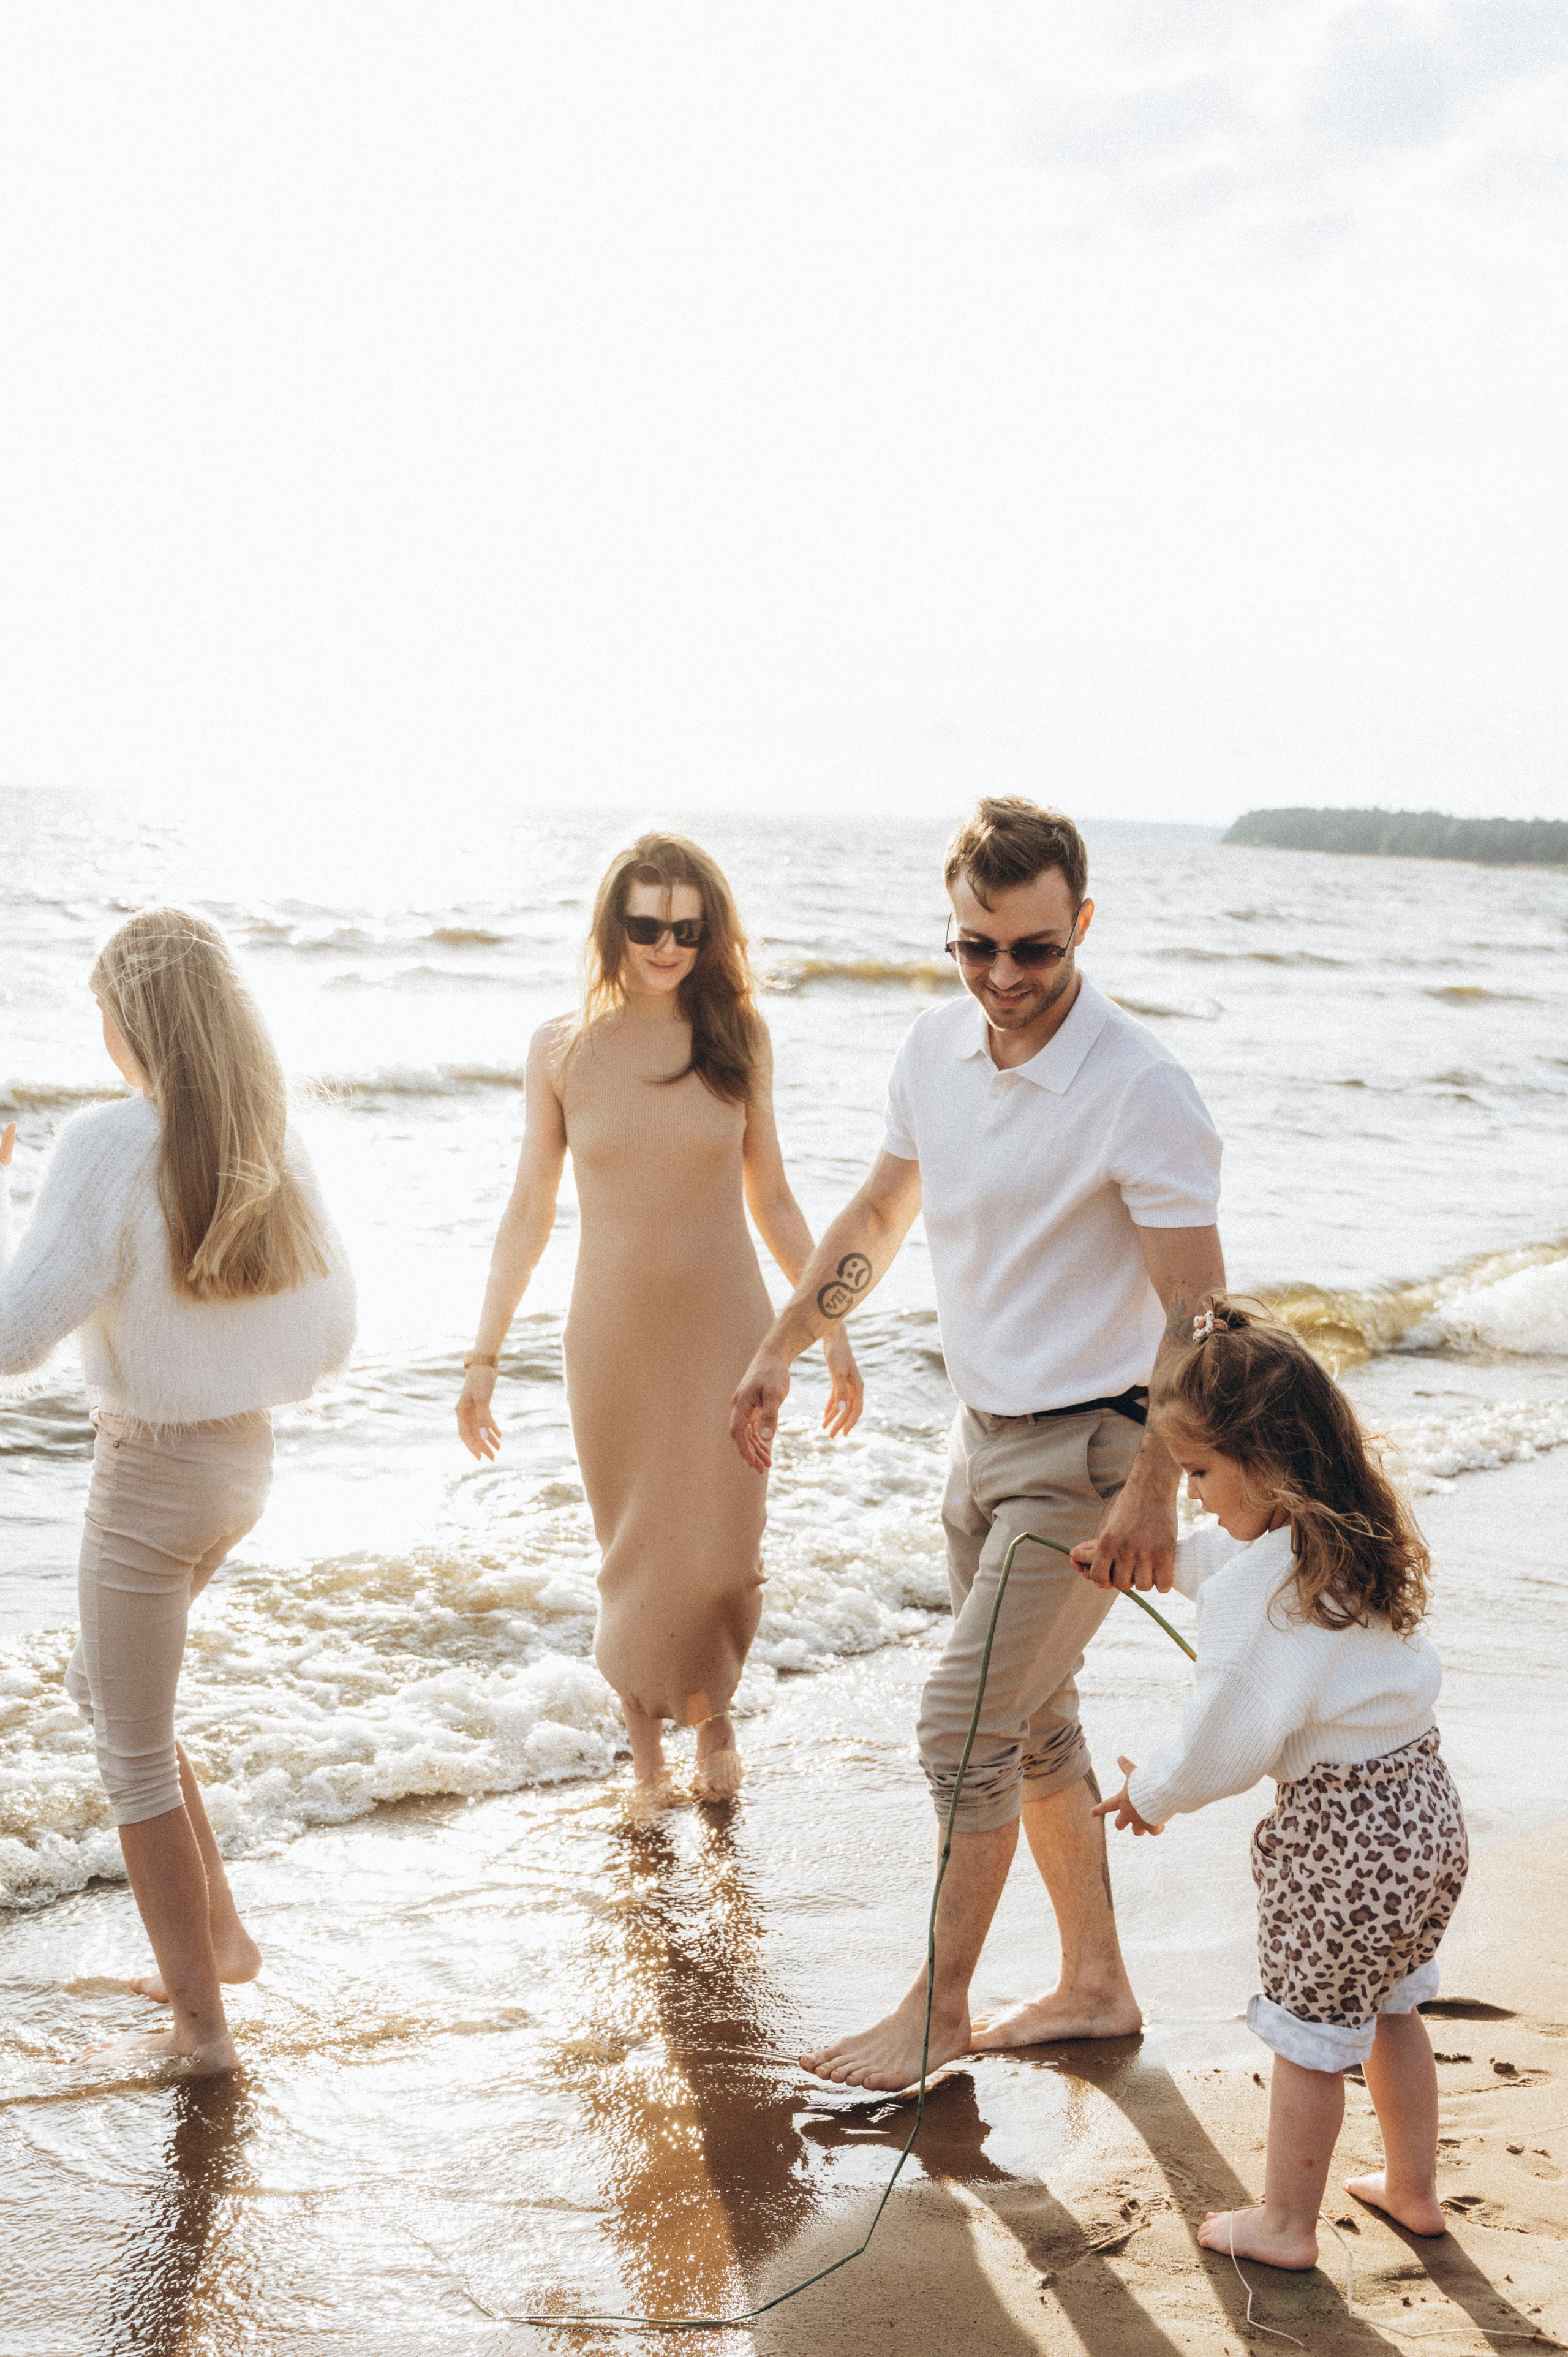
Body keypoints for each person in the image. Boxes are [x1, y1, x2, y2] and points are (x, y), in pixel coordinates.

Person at [729, 796, 1226, 2091]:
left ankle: (936, 2010)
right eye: (973, 946)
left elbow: (1198, 1320)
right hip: (982, 1442)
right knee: (1030, 1727)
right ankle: (1096, 1984)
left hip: (1095, 1456)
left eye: (1033, 950)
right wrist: (784, 1340)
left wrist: (1155, 1495)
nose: (1002, 978)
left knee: (959, 1728)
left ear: (1081, 928)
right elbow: (879, 1214)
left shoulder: (1139, 1088)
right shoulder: (932, 1050)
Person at [0, 910, 356, 2073]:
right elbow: (335, 1335)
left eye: (101, 1007)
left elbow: (14, 1336)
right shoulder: (271, 1141)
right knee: (100, 1689)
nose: (97, 1029)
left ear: (131, 1021)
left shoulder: (108, 1144)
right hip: (240, 1469)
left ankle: (202, 2024)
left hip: (150, 1476)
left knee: (133, 1756)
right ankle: (226, 1938)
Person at [456, 832, 861, 1803]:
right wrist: (482, 1359)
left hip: (732, 1333)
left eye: (686, 927)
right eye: (647, 924)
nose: (667, 944)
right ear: (614, 925)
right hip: (612, 1341)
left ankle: (712, 1714)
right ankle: (646, 1769)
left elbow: (775, 1203)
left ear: (708, 930)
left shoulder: (739, 1037)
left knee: (722, 1557)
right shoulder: (560, 1049)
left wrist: (831, 1331)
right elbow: (527, 1210)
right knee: (636, 1556)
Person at [1088, 1294, 1463, 2269]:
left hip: (1342, 1838)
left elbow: (1226, 1735)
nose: (1196, 1494)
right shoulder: (1346, 1534)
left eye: (1203, 1473)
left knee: (1307, 2035)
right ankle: (1414, 2190)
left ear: (1267, 1461)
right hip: (1423, 1814)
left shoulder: (1263, 1592)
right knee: (1390, 2006)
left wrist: (1152, 1794)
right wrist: (1152, 1564)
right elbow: (1233, 1561)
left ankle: (1286, 2226)